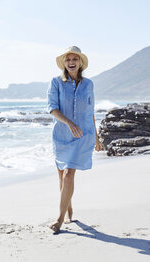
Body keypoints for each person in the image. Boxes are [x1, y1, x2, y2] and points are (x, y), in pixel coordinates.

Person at [47, 46, 102, 234]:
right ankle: (68, 207)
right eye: (68, 59)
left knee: (69, 173)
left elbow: (90, 111)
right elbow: (52, 109)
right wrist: (69, 123)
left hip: (82, 135)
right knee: (62, 177)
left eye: (75, 59)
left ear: (80, 63)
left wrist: (96, 137)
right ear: (64, 62)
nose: (71, 62)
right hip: (61, 135)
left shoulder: (88, 84)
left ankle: (59, 219)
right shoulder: (56, 83)